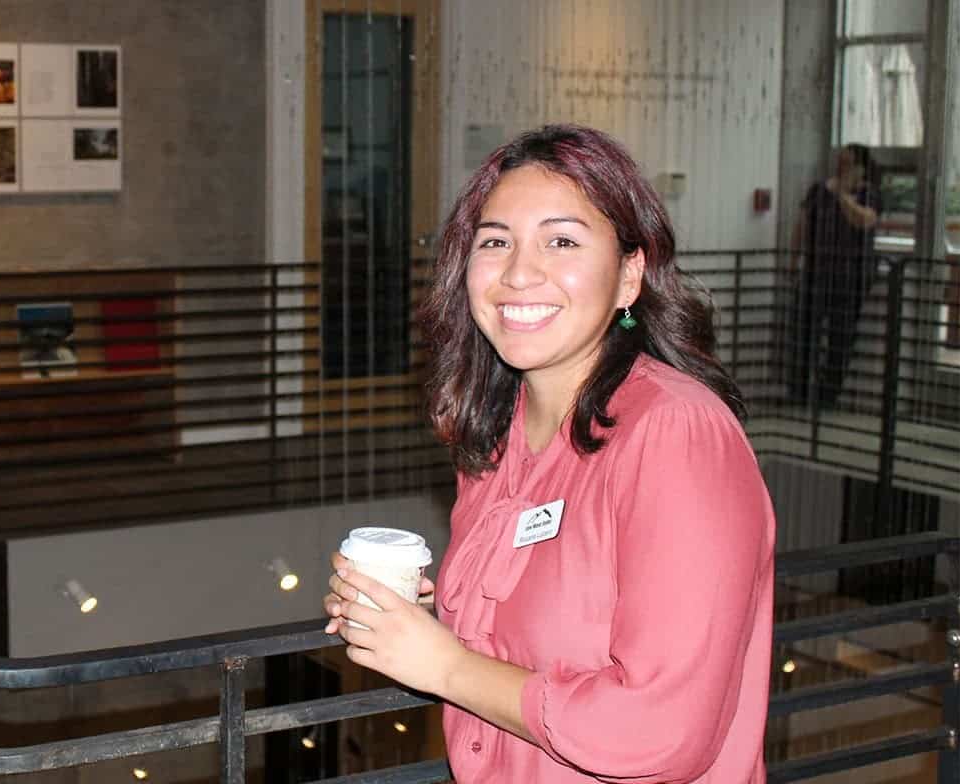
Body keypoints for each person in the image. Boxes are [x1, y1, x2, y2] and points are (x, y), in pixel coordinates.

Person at [323, 125, 775, 782]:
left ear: (629, 275)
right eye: (496, 242)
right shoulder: (496, 436)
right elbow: (531, 650)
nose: (518, 273)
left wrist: (443, 665)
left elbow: (661, 729)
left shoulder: (676, 433)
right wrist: (407, 627)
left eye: (560, 241)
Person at [785, 143, 881, 408]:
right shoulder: (818, 190)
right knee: (804, 330)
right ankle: (800, 392)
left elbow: (864, 220)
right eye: (840, 161)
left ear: (861, 167)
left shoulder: (868, 194)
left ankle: (828, 395)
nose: (842, 167)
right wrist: (793, 260)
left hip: (851, 276)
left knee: (841, 335)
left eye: (848, 162)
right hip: (816, 271)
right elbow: (802, 225)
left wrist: (843, 196)